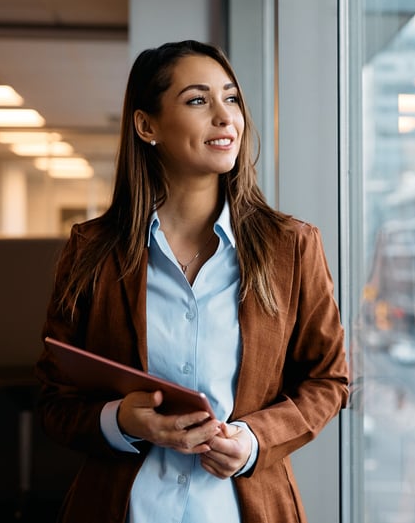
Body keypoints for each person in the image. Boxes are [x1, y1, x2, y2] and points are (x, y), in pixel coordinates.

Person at [34, 39, 350, 523]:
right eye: (198, 100)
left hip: (245, 509)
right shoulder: (92, 251)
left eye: (232, 98)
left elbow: (329, 379)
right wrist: (118, 420)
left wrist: (253, 441)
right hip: (125, 508)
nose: (226, 117)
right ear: (147, 125)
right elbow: (55, 398)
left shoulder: (291, 246)